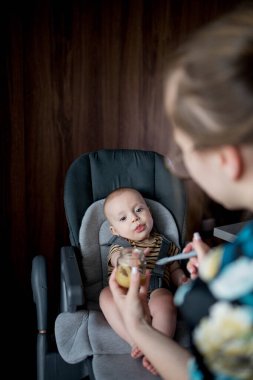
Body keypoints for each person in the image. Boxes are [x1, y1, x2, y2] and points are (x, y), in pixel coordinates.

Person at [109, 3, 253, 380]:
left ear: (225, 158)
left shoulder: (239, 275)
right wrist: (216, 269)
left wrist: (140, 326)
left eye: (182, 150)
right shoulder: (240, 255)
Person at [99, 187, 189, 375]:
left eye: (139, 210)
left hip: (156, 289)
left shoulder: (166, 244)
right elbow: (116, 260)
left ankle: (159, 350)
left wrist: (181, 279)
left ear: (149, 211)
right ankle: (134, 340)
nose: (134, 218)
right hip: (125, 294)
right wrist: (127, 258)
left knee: (166, 300)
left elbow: (174, 268)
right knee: (105, 295)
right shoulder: (118, 247)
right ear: (114, 230)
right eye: (123, 218)